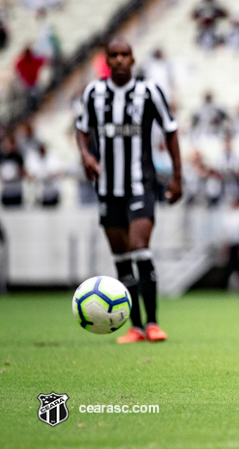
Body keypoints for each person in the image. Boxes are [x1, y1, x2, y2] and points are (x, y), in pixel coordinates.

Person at [76, 39, 182, 344]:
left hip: (141, 184)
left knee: (140, 247)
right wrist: (86, 156)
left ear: (133, 59)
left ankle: (154, 323)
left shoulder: (149, 92)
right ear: (107, 60)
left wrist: (177, 176)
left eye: (125, 54)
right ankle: (135, 326)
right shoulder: (93, 93)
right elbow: (81, 129)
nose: (120, 59)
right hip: (108, 189)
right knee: (121, 257)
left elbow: (171, 131)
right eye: (114, 55)